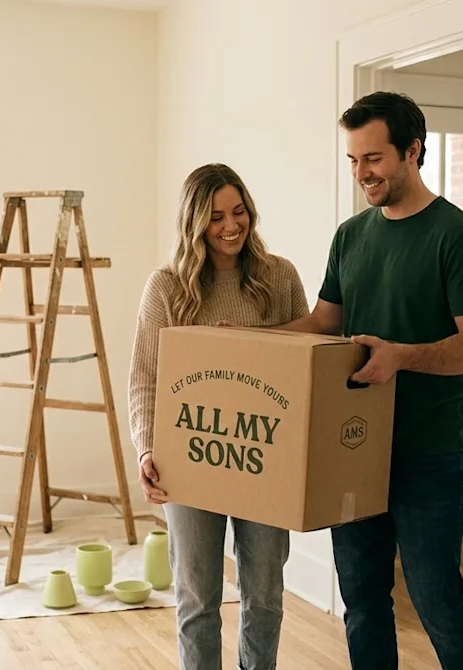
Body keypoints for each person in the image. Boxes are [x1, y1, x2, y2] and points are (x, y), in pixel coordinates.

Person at [277, 91, 463, 669]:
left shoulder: (460, 238)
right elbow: (326, 321)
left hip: (429, 451)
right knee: (363, 598)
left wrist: (401, 356)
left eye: (372, 158)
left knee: (436, 600)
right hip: (352, 445)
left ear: (412, 151)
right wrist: (255, 339)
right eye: (352, 160)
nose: (361, 173)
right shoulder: (351, 236)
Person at [126, 162, 310, 670]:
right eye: (215, 217)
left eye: (239, 211)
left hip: (264, 457)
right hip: (190, 460)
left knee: (265, 595)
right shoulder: (166, 287)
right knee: (197, 600)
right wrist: (146, 447)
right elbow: (145, 376)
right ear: (194, 224)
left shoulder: (280, 278)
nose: (231, 226)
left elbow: (303, 367)